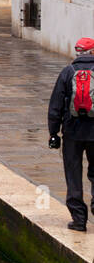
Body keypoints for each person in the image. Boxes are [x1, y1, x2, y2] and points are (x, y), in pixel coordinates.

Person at [49, 37, 94, 231]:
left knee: (73, 175)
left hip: (72, 132)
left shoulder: (67, 72)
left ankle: (79, 220)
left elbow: (55, 106)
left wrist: (53, 133)